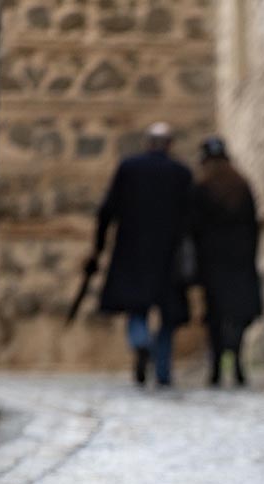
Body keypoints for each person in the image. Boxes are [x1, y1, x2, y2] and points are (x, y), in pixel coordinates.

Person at [92, 122, 192, 387]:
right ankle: (162, 371)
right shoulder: (181, 173)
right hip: (169, 253)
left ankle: (141, 342)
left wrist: (99, 246)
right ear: (169, 145)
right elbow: (192, 216)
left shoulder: (129, 168)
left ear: (148, 143)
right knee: (168, 314)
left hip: (133, 250)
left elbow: (107, 209)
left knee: (137, 308)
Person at [190, 136, 263, 386]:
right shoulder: (241, 186)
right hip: (241, 261)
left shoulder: (201, 189)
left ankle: (217, 366)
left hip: (213, 263)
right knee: (239, 312)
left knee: (216, 315)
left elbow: (194, 227)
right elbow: (253, 225)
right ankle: (237, 358)